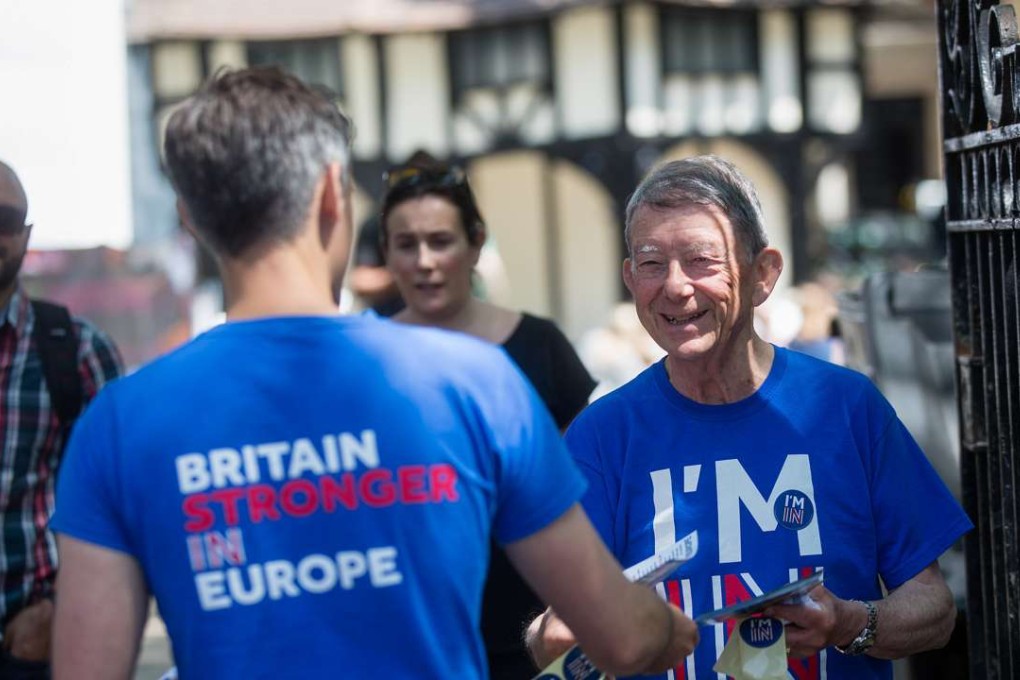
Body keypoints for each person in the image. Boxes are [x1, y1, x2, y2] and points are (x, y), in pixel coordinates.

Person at [48, 67, 698, 680]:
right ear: (333, 193)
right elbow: (621, 635)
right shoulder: (474, 383)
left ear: (190, 216)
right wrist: (671, 628)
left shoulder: (119, 424)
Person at [528, 155, 972, 680]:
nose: (675, 286)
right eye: (651, 263)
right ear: (630, 278)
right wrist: (551, 637)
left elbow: (935, 610)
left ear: (763, 275)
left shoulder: (846, 406)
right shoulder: (601, 436)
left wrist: (850, 622)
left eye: (701, 260)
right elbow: (551, 636)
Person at [379, 151, 597, 678]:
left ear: (476, 243)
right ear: (386, 253)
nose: (425, 261)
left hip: (532, 630)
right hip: (411, 635)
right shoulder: (366, 358)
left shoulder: (540, 345)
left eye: (441, 241)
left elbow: (584, 485)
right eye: (406, 245)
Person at [0, 161, 123, 678]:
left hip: (29, 643)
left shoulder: (77, 352)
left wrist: (59, 608)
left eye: (5, 220)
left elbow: (120, 504)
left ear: (26, 236)